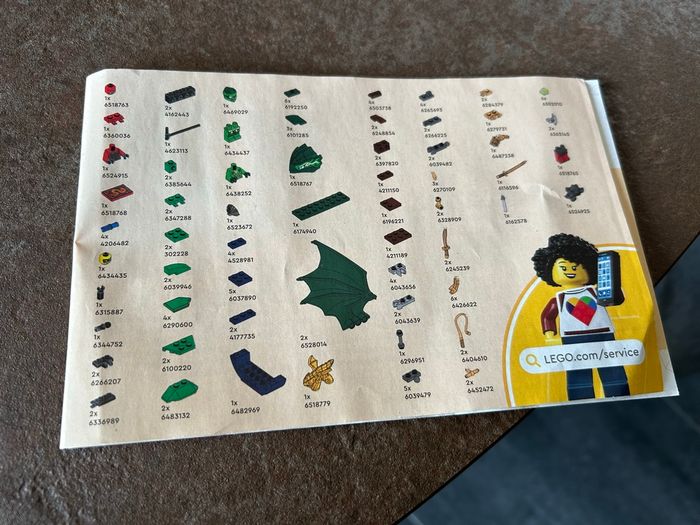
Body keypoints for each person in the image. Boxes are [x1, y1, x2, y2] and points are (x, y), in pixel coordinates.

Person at [531, 233, 629, 400]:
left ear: (589, 269)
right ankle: (580, 400)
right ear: (549, 270)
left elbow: (616, 300)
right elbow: (548, 316)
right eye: (563, 268)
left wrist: (614, 286)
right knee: (578, 374)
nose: (570, 271)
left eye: (576, 267)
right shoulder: (559, 299)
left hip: (603, 336)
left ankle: (620, 397)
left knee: (612, 368)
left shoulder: (596, 292)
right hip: (572, 340)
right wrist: (550, 334)